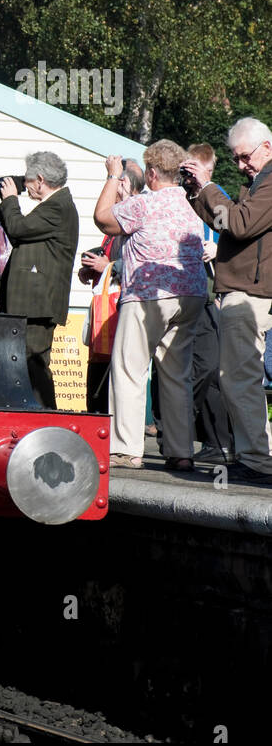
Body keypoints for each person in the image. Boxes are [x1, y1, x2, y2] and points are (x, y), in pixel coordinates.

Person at [94, 144, 207, 470]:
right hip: (191, 294)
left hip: (149, 295)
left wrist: (114, 176)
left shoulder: (145, 203)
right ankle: (181, 451)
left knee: (130, 369)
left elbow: (102, 219)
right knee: (176, 373)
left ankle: (127, 449)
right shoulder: (191, 205)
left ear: (153, 173)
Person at [181, 118, 272, 482]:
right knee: (238, 376)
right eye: (235, 158)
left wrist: (208, 186)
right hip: (244, 289)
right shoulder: (259, 182)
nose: (240, 165)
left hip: (250, 293)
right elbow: (226, 222)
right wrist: (197, 194)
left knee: (238, 376)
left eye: (244, 156)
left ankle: (257, 460)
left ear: (267, 146)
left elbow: (239, 223)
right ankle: (255, 456)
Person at [0, 151, 80, 409]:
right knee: (30, 364)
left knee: (33, 363)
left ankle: (46, 415)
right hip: (35, 304)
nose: (26, 186)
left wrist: (10, 200)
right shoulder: (56, 206)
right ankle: (39, 414)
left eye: (29, 181)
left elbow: (18, 228)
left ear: (41, 180)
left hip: (38, 305)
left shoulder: (57, 206)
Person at [79, 160, 145, 412]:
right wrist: (92, 270)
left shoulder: (135, 214)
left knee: (113, 368)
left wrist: (108, 266)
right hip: (105, 307)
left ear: (124, 185)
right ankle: (96, 414)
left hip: (120, 309)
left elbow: (136, 260)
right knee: (98, 366)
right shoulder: (114, 222)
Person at [184, 142, 233, 464]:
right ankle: (195, 438)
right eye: (187, 172)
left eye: (196, 172)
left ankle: (218, 442)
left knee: (211, 369)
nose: (191, 178)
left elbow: (237, 232)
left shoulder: (218, 199)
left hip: (211, 293)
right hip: (184, 292)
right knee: (186, 369)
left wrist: (218, 250)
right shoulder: (180, 199)